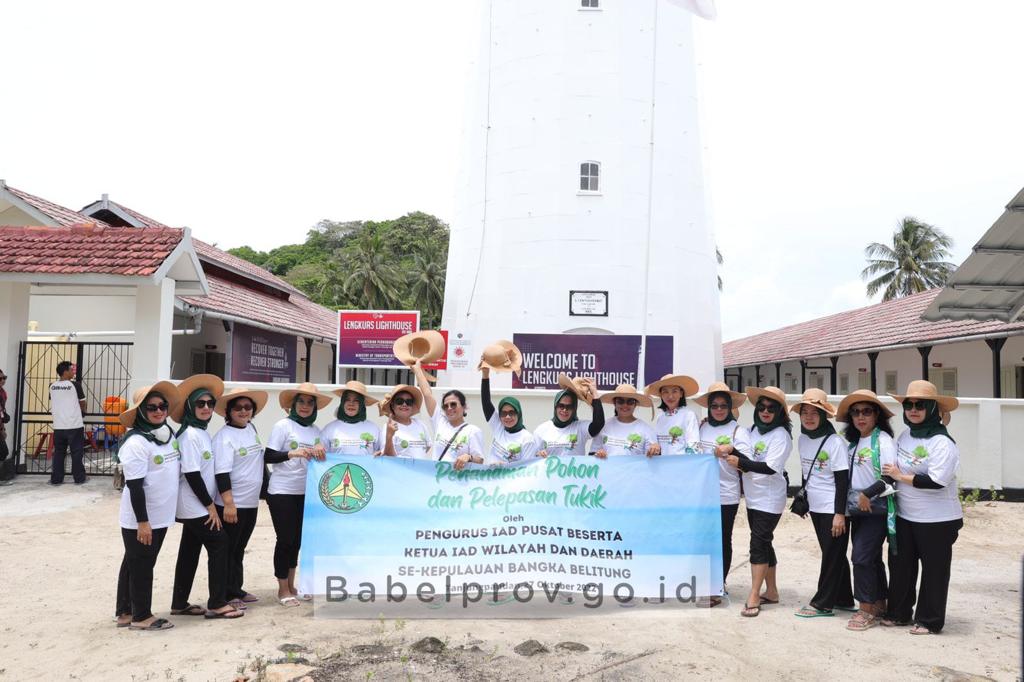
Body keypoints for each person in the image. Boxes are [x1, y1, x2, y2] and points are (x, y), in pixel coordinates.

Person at [882, 380, 963, 635]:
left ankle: (929, 620)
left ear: (932, 409)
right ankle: (899, 613)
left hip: (937, 520)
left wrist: (899, 475)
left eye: (920, 405)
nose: (913, 410)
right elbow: (889, 467)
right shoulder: (905, 435)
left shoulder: (942, 443)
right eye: (909, 405)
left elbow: (937, 481)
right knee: (900, 566)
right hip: (906, 515)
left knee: (934, 571)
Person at [168, 374, 242, 620]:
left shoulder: (200, 433)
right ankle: (218, 602)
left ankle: (179, 602)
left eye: (210, 404)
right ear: (190, 406)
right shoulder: (189, 435)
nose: (207, 408)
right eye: (200, 404)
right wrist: (210, 506)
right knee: (220, 543)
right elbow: (192, 475)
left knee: (190, 549)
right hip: (194, 505)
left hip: (197, 504)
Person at [114, 382, 182, 631]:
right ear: (141, 412)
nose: (158, 411)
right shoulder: (136, 443)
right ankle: (142, 616)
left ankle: (124, 611)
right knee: (142, 564)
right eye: (151, 408)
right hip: (142, 517)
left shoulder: (166, 434)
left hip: (161, 514)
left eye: (162, 406)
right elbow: (135, 486)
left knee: (134, 562)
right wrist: (143, 522)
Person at [724, 386, 792, 618]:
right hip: (753, 497)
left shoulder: (781, 435)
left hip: (770, 499)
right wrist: (734, 453)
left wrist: (740, 462)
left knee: (758, 544)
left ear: (780, 412)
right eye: (761, 407)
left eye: (771, 408)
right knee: (765, 542)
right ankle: (771, 591)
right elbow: (746, 455)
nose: (765, 412)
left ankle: (754, 594)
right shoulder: (753, 431)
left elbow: (770, 467)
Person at [791, 388, 855, 619]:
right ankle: (844, 598)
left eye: (814, 412)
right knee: (833, 553)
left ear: (824, 415)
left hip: (832, 507)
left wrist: (840, 514)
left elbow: (842, 481)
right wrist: (803, 500)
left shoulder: (835, 442)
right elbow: (807, 474)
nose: (808, 417)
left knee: (831, 555)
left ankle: (823, 603)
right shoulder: (803, 439)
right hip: (816, 506)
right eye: (804, 412)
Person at [266, 382, 330, 607]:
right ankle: (282, 588)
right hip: (282, 491)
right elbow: (269, 456)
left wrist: (321, 452)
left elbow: (323, 459)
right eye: (301, 402)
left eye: (310, 403)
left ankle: (292, 585)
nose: (305, 406)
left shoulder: (316, 431)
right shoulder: (283, 426)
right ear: (293, 405)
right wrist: (292, 453)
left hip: (306, 492)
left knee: (297, 541)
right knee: (285, 539)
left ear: (315, 407)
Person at [839, 388, 897, 631]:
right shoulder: (853, 444)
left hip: (876, 509)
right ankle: (879, 603)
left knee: (860, 557)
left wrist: (867, 494)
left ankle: (865, 609)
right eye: (855, 413)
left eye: (866, 412)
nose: (860, 417)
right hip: (856, 509)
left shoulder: (882, 441)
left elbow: (890, 477)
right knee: (871, 559)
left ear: (876, 416)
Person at [212, 387, 269, 609]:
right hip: (232, 504)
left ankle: (237, 588)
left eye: (248, 407)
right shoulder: (224, 437)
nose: (243, 411)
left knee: (239, 548)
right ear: (229, 412)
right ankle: (226, 593)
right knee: (228, 549)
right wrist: (228, 503)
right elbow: (221, 472)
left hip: (250, 502)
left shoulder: (251, 428)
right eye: (238, 408)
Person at [694, 381, 751, 604]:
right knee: (702, 539)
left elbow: (747, 462)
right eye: (714, 406)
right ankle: (705, 581)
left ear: (730, 407)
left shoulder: (739, 431)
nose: (718, 410)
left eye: (723, 406)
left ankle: (718, 585)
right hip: (700, 494)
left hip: (726, 494)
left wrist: (731, 449)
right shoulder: (700, 427)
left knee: (721, 539)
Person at [413, 361, 484, 469]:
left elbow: (480, 460)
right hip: (437, 478)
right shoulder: (440, 421)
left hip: (458, 482)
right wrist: (417, 369)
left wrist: (468, 457)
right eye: (446, 406)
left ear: (464, 407)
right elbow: (427, 394)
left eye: (453, 404)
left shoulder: (473, 431)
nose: (449, 408)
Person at [533, 374, 604, 459]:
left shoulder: (580, 428)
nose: (564, 410)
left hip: (575, 472)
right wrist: (538, 455)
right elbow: (532, 458)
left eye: (569, 407)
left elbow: (598, 423)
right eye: (561, 406)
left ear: (574, 409)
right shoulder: (541, 430)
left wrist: (594, 392)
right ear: (555, 406)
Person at [479, 366, 540, 464]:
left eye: (512, 413)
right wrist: (485, 374)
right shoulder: (499, 427)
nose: (507, 417)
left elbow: (526, 470)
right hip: (491, 478)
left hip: (510, 479)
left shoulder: (527, 439)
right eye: (503, 413)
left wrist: (505, 466)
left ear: (518, 414)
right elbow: (486, 402)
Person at [592, 385, 658, 458]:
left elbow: (652, 460)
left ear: (635, 404)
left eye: (630, 402)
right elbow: (592, 454)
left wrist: (655, 450)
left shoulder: (646, 429)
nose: (625, 405)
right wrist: (598, 454)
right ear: (614, 403)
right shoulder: (604, 426)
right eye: (620, 401)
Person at [49, 360, 87, 485]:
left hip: (59, 425)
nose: (73, 371)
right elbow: (82, 402)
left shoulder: (52, 386)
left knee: (59, 453)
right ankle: (79, 478)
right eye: (71, 369)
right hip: (74, 424)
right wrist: (82, 413)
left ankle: (56, 479)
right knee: (77, 452)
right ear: (65, 372)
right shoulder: (75, 385)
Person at [321, 381, 382, 456]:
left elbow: (382, 454)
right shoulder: (329, 429)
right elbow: (321, 458)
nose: (351, 404)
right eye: (347, 400)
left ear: (362, 404)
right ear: (342, 402)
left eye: (356, 400)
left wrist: (380, 455)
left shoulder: (373, 428)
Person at [645, 374, 701, 454]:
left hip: (681, 464)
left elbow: (693, 446)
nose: (670, 396)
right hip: (662, 464)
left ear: (681, 394)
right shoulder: (660, 417)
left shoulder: (689, 415)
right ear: (661, 395)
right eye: (665, 392)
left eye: (674, 391)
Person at [379, 384, 432, 459]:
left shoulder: (420, 424)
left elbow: (427, 447)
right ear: (392, 405)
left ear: (412, 406)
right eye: (399, 401)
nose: (404, 404)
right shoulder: (388, 427)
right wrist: (389, 436)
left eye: (409, 402)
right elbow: (388, 456)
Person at [0, 369, 12, 485]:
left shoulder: (2, 392)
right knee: (3, 451)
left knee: (3, 451)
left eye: (4, 378)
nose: (3, 380)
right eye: (0, 378)